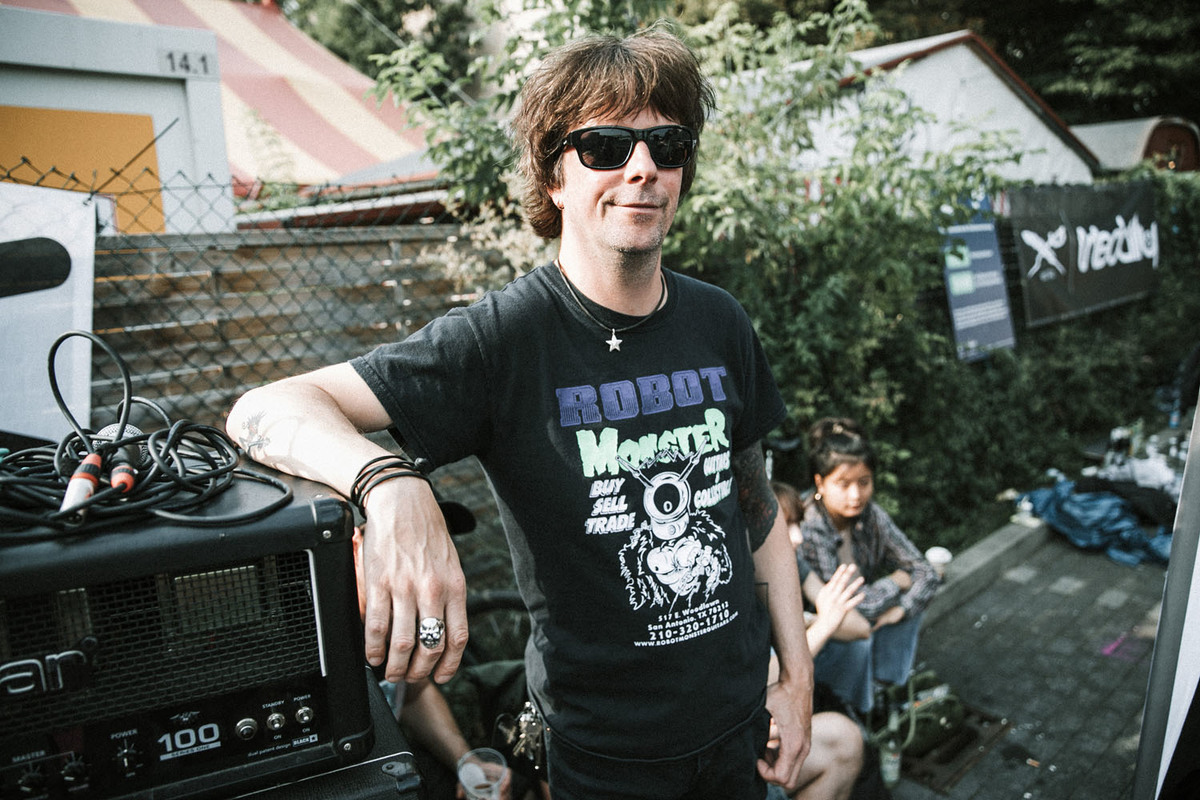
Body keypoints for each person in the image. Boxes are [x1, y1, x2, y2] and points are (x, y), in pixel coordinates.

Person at [226, 26, 813, 800]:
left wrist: (797, 678)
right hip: (604, 758)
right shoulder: (504, 339)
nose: (642, 167)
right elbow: (263, 409)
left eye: (667, 145)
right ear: (554, 176)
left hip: (738, 726)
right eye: (605, 146)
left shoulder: (719, 321)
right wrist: (389, 482)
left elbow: (757, 512)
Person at [794, 418, 940, 718]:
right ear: (820, 483)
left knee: (910, 605)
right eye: (843, 484)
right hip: (821, 636)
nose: (856, 495)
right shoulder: (809, 527)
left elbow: (925, 572)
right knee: (858, 640)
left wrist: (900, 610)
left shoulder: (871, 516)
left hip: (866, 621)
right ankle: (851, 709)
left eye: (864, 482)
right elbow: (849, 611)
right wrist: (895, 582)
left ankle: (886, 687)